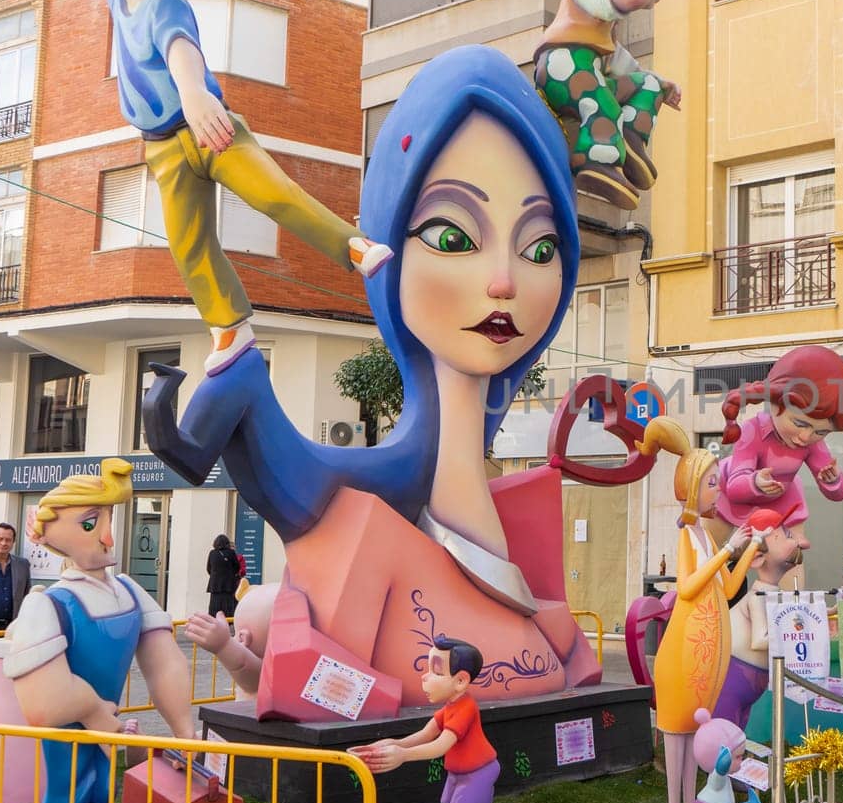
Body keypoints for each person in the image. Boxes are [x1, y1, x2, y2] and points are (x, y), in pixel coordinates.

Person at [143, 46, 600, 692]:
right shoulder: (375, 521)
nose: (502, 281)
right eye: (452, 237)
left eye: (540, 247)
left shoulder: (435, 493)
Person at [44, 0, 391, 376]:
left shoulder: (165, 6)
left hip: (212, 127)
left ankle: (357, 249)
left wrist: (195, 95)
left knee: (272, 192)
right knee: (190, 244)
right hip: (164, 149)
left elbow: (181, 48)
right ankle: (229, 328)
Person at [5, 459, 195, 803]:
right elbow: (44, 697)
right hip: (70, 723)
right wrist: (93, 712)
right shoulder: (49, 603)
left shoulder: (129, 589)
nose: (109, 536)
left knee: (102, 775)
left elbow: (164, 660)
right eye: (92, 524)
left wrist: (185, 730)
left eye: (109, 519)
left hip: (107, 716)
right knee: (67, 774)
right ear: (57, 537)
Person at [635, 416, 763, 803]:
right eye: (711, 483)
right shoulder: (690, 537)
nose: (718, 491)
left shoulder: (707, 539)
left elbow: (725, 588)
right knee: (676, 737)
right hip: (685, 654)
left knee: (694, 735)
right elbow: (688, 587)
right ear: (692, 490)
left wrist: (744, 552)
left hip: (705, 657)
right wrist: (728, 549)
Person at [535, 0, 681, 210]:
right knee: (604, 105)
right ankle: (596, 158)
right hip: (564, 65)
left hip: (588, 69)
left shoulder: (601, 32)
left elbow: (619, 62)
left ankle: (628, 140)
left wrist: (661, 85)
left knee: (648, 84)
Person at [352, 636, 498, 803]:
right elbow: (425, 734)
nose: (424, 677)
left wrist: (403, 756)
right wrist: (391, 744)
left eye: (435, 671)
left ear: (461, 680)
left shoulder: (466, 709)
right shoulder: (450, 707)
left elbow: (440, 745)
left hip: (478, 771)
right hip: (461, 772)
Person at [714, 346, 843, 551]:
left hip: (779, 501)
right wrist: (755, 481)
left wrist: (833, 480)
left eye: (821, 432)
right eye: (799, 424)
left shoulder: (812, 443)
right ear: (774, 403)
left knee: (789, 554)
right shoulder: (752, 431)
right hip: (730, 499)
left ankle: (793, 544)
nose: (806, 437)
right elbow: (735, 488)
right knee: (714, 554)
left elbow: (839, 493)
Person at [713, 510, 809, 730]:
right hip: (733, 679)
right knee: (725, 734)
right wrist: (795, 634)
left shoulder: (772, 595)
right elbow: (758, 641)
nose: (802, 542)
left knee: (737, 731)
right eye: (786, 535)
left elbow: (793, 615)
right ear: (758, 558)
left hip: (749, 682)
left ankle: (733, 763)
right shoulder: (757, 596)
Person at [205, 534, 243, 617]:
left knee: (214, 604)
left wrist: (215, 576)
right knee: (227, 604)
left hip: (215, 584)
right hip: (228, 583)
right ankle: (227, 621)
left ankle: (214, 618)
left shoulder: (212, 553)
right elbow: (237, 567)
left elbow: (208, 568)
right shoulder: (231, 552)